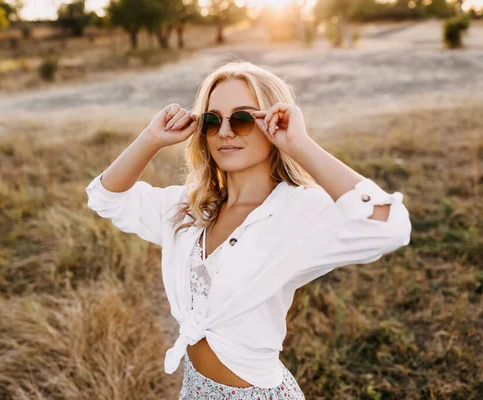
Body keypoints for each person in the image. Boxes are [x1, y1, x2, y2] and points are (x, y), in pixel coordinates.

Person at [85, 60, 412, 399]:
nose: (224, 132)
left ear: (273, 123)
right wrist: (151, 138)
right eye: (212, 120)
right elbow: (107, 199)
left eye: (242, 119)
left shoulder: (298, 210)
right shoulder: (191, 207)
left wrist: (299, 144)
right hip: (194, 388)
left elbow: (390, 228)